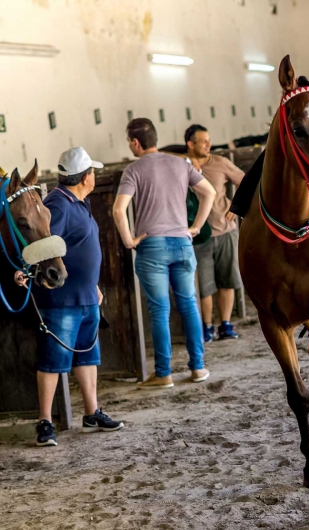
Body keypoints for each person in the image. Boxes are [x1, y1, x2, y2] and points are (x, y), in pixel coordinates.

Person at [113, 118, 216, 389]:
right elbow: (209, 192)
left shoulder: (133, 170)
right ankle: (198, 367)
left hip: (152, 245)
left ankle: (163, 374)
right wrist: (195, 227)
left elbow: (117, 210)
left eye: (129, 142)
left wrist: (128, 240)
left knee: (160, 310)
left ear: (136, 143)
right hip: (182, 242)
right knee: (189, 305)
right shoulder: (180, 164)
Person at [33, 147, 124, 447]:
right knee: (53, 360)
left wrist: (92, 283)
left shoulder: (78, 202)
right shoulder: (58, 204)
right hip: (63, 300)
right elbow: (45, 248)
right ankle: (45, 421)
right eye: (93, 172)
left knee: (87, 355)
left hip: (86, 297)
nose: (94, 176)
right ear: (85, 177)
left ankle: (91, 412)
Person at [184, 124, 245, 342]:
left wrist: (235, 206)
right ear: (190, 145)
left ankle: (225, 325)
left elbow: (245, 180)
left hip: (225, 231)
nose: (209, 144)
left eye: (209, 140)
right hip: (198, 236)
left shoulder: (220, 163)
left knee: (227, 279)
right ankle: (207, 326)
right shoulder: (182, 166)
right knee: (204, 284)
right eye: (203, 141)